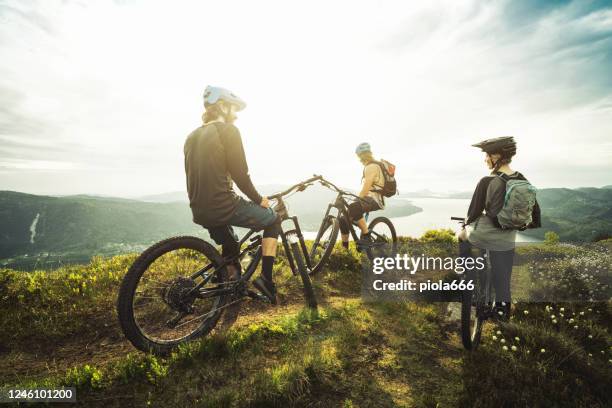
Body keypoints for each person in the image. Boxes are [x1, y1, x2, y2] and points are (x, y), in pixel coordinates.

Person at [184, 85, 280, 304]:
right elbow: (240, 174)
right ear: (223, 106)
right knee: (274, 219)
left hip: (199, 208)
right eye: (233, 109)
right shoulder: (228, 131)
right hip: (223, 204)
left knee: (231, 244)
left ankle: (231, 285)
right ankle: (266, 280)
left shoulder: (191, 136)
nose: (235, 115)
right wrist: (259, 199)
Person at [459, 136, 541, 319]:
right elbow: (534, 212)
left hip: (484, 235)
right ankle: (502, 312)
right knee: (503, 277)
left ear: (496, 156)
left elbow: (473, 212)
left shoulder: (486, 181)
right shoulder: (523, 180)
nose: (485, 159)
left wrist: (465, 226)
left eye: (487, 155)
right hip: (507, 239)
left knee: (462, 237)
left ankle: (468, 276)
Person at [339, 142, 386, 250]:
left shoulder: (371, 167)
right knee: (343, 219)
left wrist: (355, 200)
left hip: (375, 200)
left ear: (361, 156)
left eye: (359, 156)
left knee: (354, 206)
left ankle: (366, 236)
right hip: (370, 198)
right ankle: (345, 249)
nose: (360, 159)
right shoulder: (373, 165)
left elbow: (366, 188)